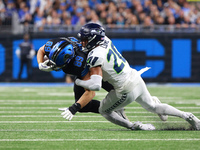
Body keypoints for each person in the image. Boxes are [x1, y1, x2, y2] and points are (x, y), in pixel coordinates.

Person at [61, 23, 200, 130]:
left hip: (124, 89)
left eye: (85, 40)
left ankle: (133, 125)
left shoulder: (95, 56)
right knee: (152, 106)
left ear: (93, 39)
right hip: (134, 77)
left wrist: (79, 81)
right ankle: (186, 115)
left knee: (104, 110)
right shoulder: (106, 40)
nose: (82, 42)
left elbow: (96, 85)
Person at [36, 37, 128, 120]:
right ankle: (113, 109)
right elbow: (41, 50)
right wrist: (40, 63)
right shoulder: (53, 44)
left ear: (69, 59)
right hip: (81, 67)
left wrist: (74, 108)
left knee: (117, 91)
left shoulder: (78, 63)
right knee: (84, 106)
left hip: (96, 67)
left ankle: (115, 108)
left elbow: (91, 91)